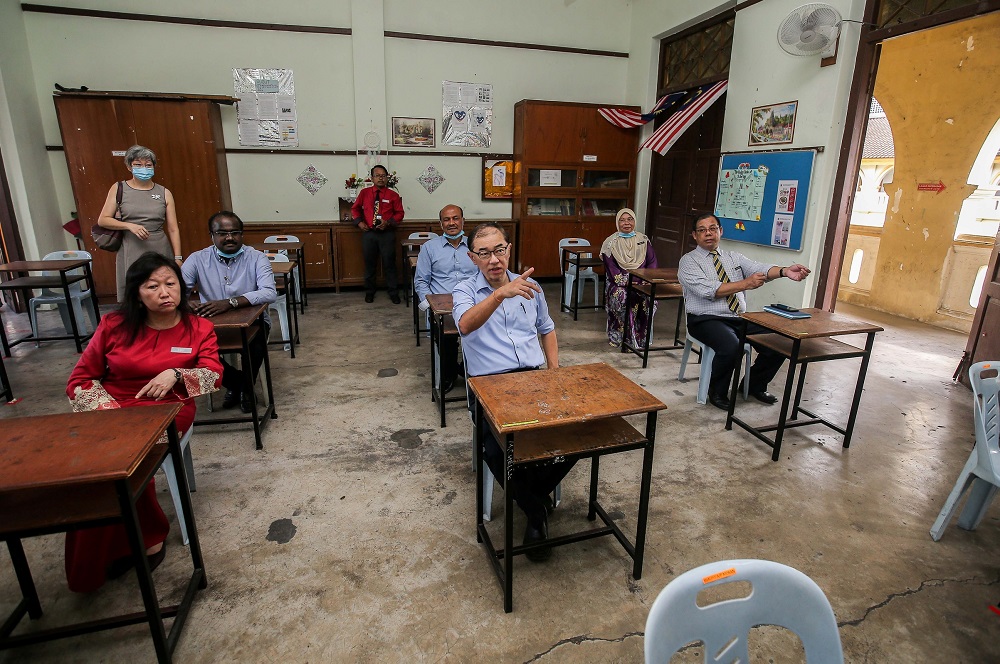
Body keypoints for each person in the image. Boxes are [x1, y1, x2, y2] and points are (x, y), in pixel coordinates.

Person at [65, 252, 222, 592]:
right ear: (137, 293)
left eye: (171, 284)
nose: (165, 293)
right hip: (112, 408)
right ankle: (109, 547)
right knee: (91, 467)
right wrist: (110, 415)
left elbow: (213, 377)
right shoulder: (114, 326)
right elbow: (80, 380)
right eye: (153, 286)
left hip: (169, 407)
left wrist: (177, 373)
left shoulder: (199, 327)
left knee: (130, 459)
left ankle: (149, 536)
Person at [453, 222, 572, 562]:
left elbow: (546, 330)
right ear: (472, 257)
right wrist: (498, 295)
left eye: (500, 250)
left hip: (535, 380)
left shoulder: (531, 285)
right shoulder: (464, 290)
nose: (494, 259)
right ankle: (536, 511)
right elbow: (464, 325)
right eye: (485, 253)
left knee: (580, 433)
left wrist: (554, 371)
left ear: (509, 249)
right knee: (495, 449)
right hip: (490, 386)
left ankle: (530, 496)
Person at [677, 213, 811, 410]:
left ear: (720, 231)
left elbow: (759, 268)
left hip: (738, 317)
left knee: (780, 340)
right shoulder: (688, 261)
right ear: (694, 236)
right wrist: (745, 284)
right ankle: (717, 392)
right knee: (732, 346)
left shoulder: (733, 257)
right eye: (702, 230)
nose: (708, 234)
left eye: (713, 229)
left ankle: (755, 384)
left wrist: (784, 271)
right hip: (704, 320)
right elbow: (709, 290)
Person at [182, 211, 276, 413]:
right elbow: (178, 291)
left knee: (256, 343)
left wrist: (230, 303)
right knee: (195, 349)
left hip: (253, 321)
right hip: (210, 323)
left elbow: (269, 292)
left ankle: (243, 389)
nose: (229, 237)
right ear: (212, 235)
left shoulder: (257, 258)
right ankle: (241, 385)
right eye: (222, 233)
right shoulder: (197, 259)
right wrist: (186, 303)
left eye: (235, 232)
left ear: (242, 234)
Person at [97, 145, 182, 302]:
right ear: (129, 167)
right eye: (138, 164)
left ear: (154, 167)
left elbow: (173, 228)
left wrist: (178, 257)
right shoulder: (119, 188)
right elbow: (103, 219)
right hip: (131, 246)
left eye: (148, 165)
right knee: (136, 293)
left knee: (162, 292)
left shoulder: (164, 192)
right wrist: (129, 225)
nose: (144, 168)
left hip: (159, 247)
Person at [414, 204, 478, 394]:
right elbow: (421, 281)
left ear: (463, 221)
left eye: (455, 218)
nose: (452, 223)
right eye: (447, 219)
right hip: (442, 309)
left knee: (480, 336)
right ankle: (449, 374)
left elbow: (484, 275)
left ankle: (470, 371)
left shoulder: (475, 246)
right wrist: (430, 308)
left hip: (470, 304)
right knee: (446, 342)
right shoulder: (429, 248)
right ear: (441, 224)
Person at [599, 208, 658, 348]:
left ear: (634, 221)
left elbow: (653, 262)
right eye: (622, 220)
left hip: (643, 282)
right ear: (617, 222)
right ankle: (621, 337)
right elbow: (613, 273)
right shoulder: (610, 243)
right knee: (622, 296)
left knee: (650, 298)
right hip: (619, 284)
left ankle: (641, 337)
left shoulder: (643, 240)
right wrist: (633, 281)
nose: (626, 223)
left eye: (630, 219)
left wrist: (645, 279)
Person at [352, 164, 405, 303]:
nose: (381, 178)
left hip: (386, 234)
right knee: (369, 264)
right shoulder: (364, 193)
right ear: (372, 178)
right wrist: (359, 222)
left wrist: (388, 222)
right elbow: (355, 209)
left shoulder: (393, 195)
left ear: (387, 178)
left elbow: (400, 213)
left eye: (383, 176)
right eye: (377, 175)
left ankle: (393, 292)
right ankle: (369, 292)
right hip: (369, 233)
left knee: (390, 264)